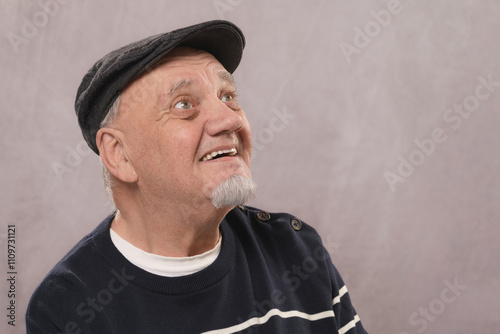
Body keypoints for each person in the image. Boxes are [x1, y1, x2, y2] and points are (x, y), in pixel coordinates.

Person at [26, 20, 367, 334]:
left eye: (228, 97)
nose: (229, 120)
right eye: (184, 104)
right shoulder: (66, 306)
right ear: (119, 154)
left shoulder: (297, 251)